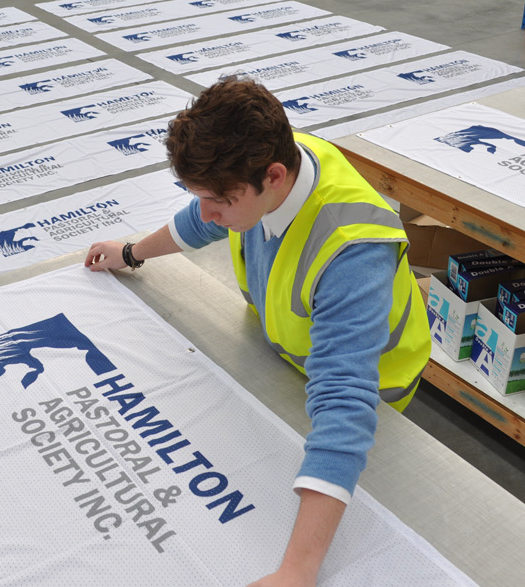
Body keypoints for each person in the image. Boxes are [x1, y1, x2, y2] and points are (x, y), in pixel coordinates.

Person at [85, 78, 430, 586]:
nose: (209, 212)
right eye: (197, 194)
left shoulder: (353, 251)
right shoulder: (278, 163)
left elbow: (343, 405)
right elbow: (204, 219)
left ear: (272, 177)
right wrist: (132, 252)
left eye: (220, 199)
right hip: (288, 357)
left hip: (371, 388)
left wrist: (297, 570)